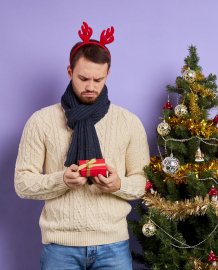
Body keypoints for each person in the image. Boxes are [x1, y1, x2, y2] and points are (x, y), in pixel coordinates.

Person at [14, 22, 150, 270]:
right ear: (69, 71)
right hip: (60, 248)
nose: (91, 86)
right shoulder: (41, 121)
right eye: (83, 78)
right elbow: (22, 183)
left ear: (108, 74)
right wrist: (61, 180)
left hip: (114, 246)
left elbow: (144, 182)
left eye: (98, 79)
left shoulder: (128, 122)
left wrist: (118, 184)